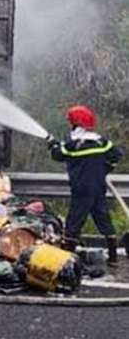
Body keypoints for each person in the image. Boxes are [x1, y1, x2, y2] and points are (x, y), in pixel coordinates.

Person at [47, 105, 123, 267]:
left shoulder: (73, 145)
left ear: (76, 124)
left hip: (81, 190)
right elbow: (116, 155)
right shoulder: (102, 142)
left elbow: (58, 155)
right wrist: (106, 169)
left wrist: (52, 144)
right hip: (98, 188)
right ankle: (113, 257)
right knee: (104, 220)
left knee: (74, 222)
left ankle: (66, 260)